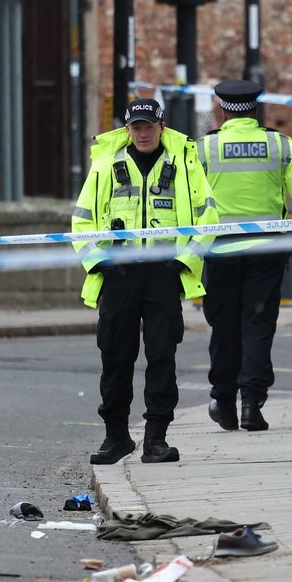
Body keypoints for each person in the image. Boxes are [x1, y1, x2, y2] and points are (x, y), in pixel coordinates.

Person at [70, 97, 214, 466]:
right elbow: (82, 222)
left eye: (149, 126)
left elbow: (208, 217)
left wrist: (182, 262)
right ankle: (116, 437)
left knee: (162, 357)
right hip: (119, 274)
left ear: (161, 127)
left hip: (163, 274)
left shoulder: (183, 162)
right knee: (115, 357)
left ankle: (156, 440)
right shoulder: (106, 164)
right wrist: (100, 263)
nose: (143, 133)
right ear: (128, 129)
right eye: (136, 127)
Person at [194, 79, 292, 433]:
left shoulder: (205, 149)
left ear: (222, 109)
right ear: (256, 108)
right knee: (257, 325)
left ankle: (223, 401)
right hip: (266, 250)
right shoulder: (278, 144)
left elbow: (190, 200)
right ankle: (252, 404)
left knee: (224, 326)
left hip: (220, 250)